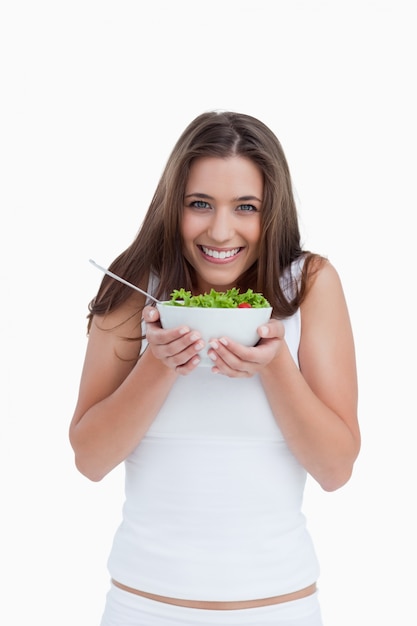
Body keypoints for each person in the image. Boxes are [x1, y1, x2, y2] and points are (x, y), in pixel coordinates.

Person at [69, 110, 360, 626]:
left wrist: (275, 370)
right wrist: (158, 366)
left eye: (245, 207)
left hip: (280, 608)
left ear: (271, 213)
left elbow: (336, 470)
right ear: (172, 205)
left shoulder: (309, 285)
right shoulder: (136, 282)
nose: (221, 231)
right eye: (199, 204)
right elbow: (89, 459)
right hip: (142, 607)